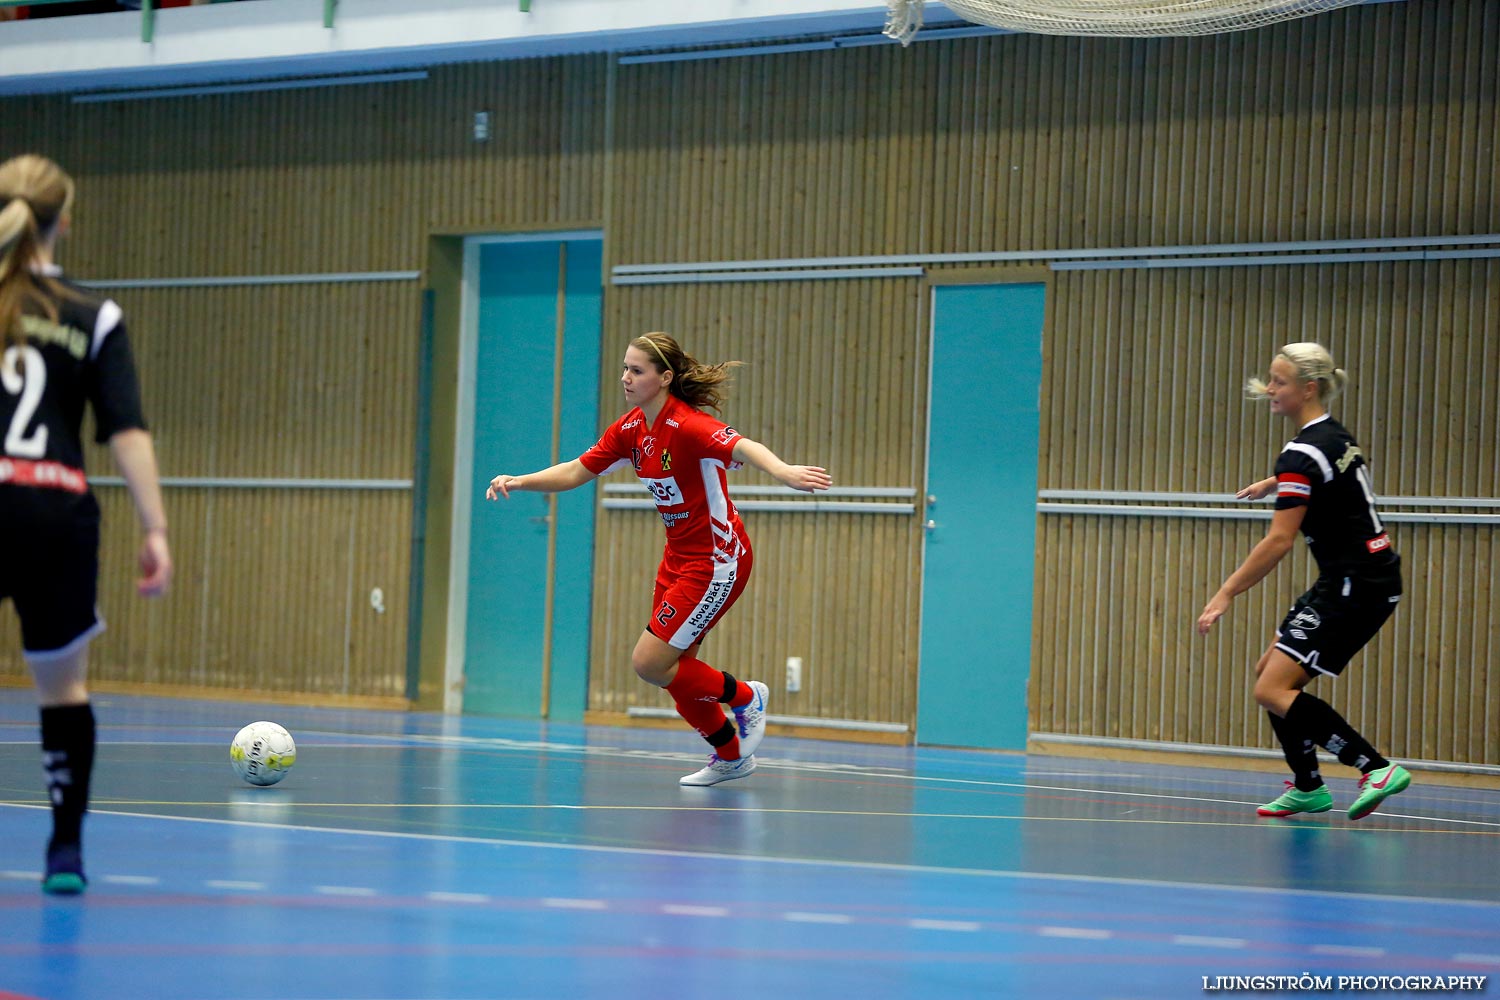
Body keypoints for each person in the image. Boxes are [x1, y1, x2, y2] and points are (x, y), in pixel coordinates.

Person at [487, 332, 831, 785]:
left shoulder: (689, 425)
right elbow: (575, 471)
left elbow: (743, 446)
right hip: (677, 558)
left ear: (665, 377)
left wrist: (784, 471)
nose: (626, 378)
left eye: (637, 370)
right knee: (674, 672)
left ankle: (747, 696)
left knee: (650, 662)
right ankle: (731, 756)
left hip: (716, 559)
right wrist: (521, 480)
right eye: (625, 368)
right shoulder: (630, 429)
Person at [0, 155, 173, 894]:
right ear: (62, 219)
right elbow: (126, 431)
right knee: (61, 690)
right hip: (54, 510)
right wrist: (155, 528)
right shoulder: (92, 315)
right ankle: (64, 851)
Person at [1197, 342, 1409, 821]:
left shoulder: (1298, 456)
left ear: (1308, 388)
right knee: (1267, 671)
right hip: (1361, 575)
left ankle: (1374, 767)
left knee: (1271, 690)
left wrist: (1225, 593)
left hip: (1356, 585)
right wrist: (1272, 483)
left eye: (1279, 381)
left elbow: (1278, 542)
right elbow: (1329, 473)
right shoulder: (1331, 436)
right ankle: (1310, 787)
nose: (1269, 389)